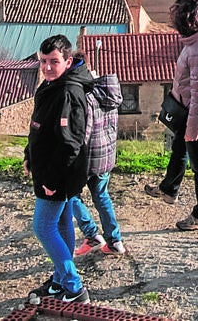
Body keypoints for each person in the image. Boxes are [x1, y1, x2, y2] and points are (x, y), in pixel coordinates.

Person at [144, 0, 198, 231]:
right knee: (179, 148)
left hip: (197, 114)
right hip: (189, 108)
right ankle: (169, 189)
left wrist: (193, 129)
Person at [25, 35, 94, 304]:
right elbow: (38, 127)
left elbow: (70, 144)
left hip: (59, 173)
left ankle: (74, 287)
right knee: (63, 221)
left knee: (42, 226)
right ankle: (59, 280)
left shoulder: (68, 92)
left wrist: (51, 179)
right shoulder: (52, 85)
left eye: (54, 62)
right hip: (52, 170)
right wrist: (29, 154)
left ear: (68, 61)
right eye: (43, 61)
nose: (47, 67)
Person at [70, 71, 126, 257]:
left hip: (88, 158)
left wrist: (73, 158)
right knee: (102, 196)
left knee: (70, 195)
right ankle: (114, 241)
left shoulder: (88, 97)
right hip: (106, 157)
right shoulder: (111, 94)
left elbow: (84, 134)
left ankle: (91, 233)